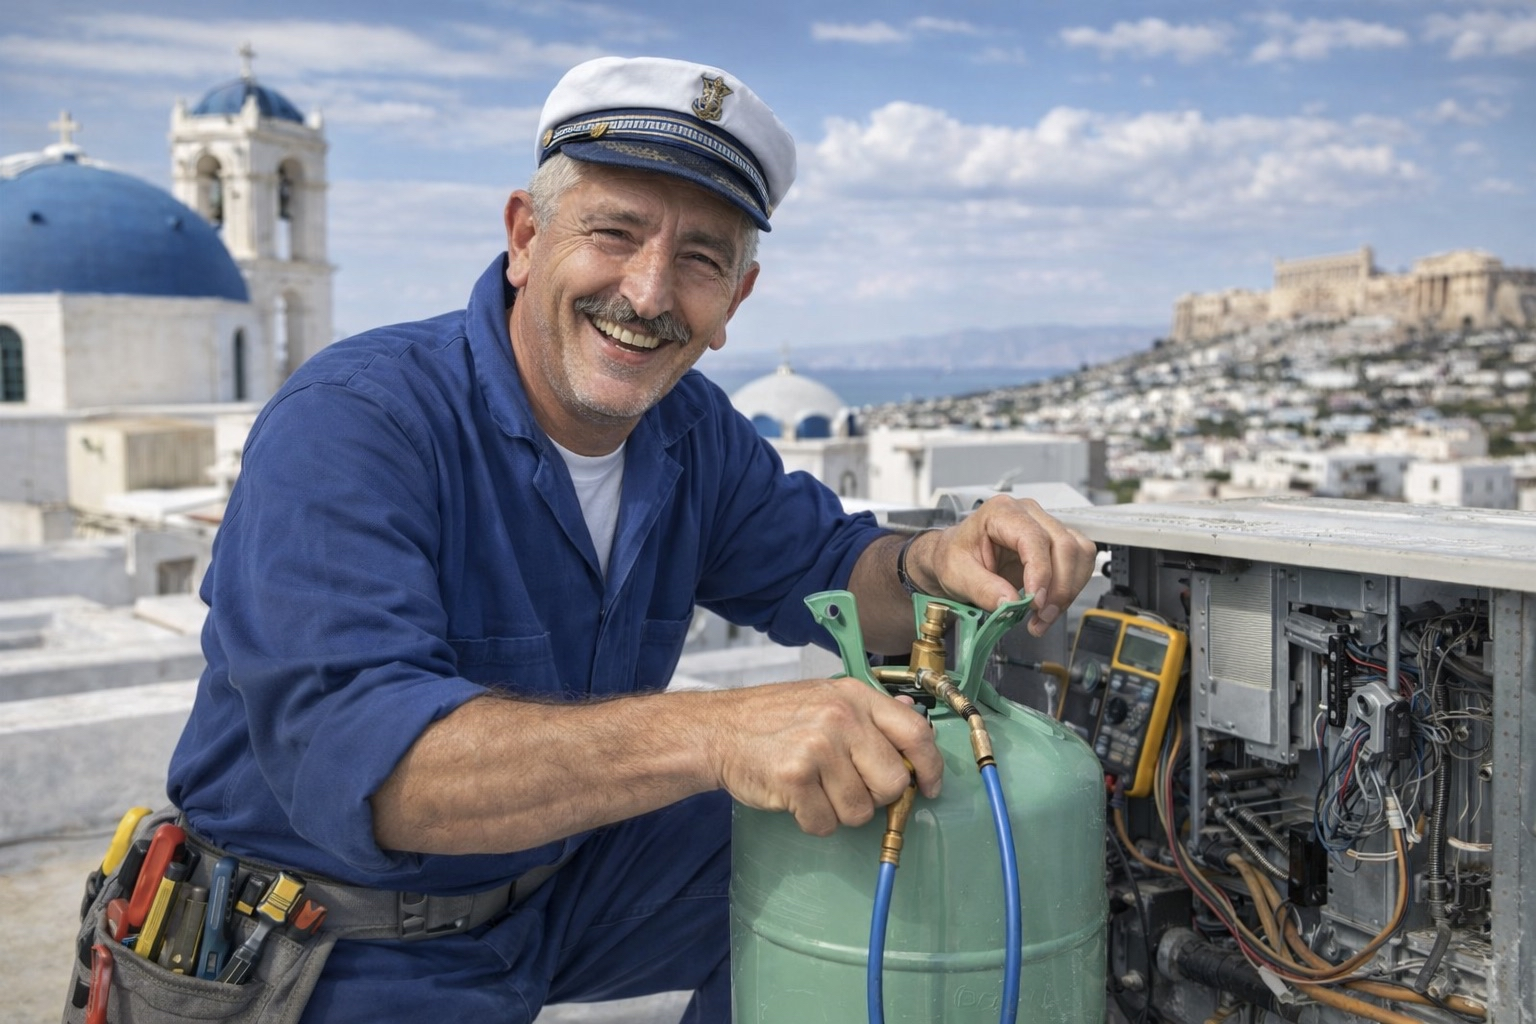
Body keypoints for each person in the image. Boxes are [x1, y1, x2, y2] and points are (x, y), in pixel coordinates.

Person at [164, 55, 1097, 1022]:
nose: (649, 294)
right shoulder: (357, 420)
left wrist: (930, 559)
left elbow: (827, 565)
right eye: (614, 233)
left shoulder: (686, 432)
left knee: (886, 831)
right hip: (327, 938)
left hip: (555, 894)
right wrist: (717, 733)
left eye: (700, 259)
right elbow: (375, 770)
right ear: (526, 237)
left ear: (735, 299)